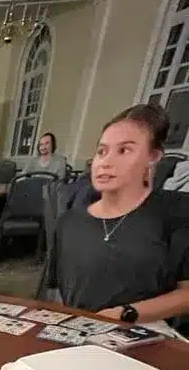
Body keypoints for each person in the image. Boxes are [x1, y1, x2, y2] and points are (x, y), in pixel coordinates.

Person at [47, 104, 189, 323]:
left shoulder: (177, 211)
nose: (106, 162)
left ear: (153, 156)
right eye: (101, 151)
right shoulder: (69, 221)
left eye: (124, 150)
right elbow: (58, 294)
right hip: (79, 338)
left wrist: (126, 314)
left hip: (150, 337)